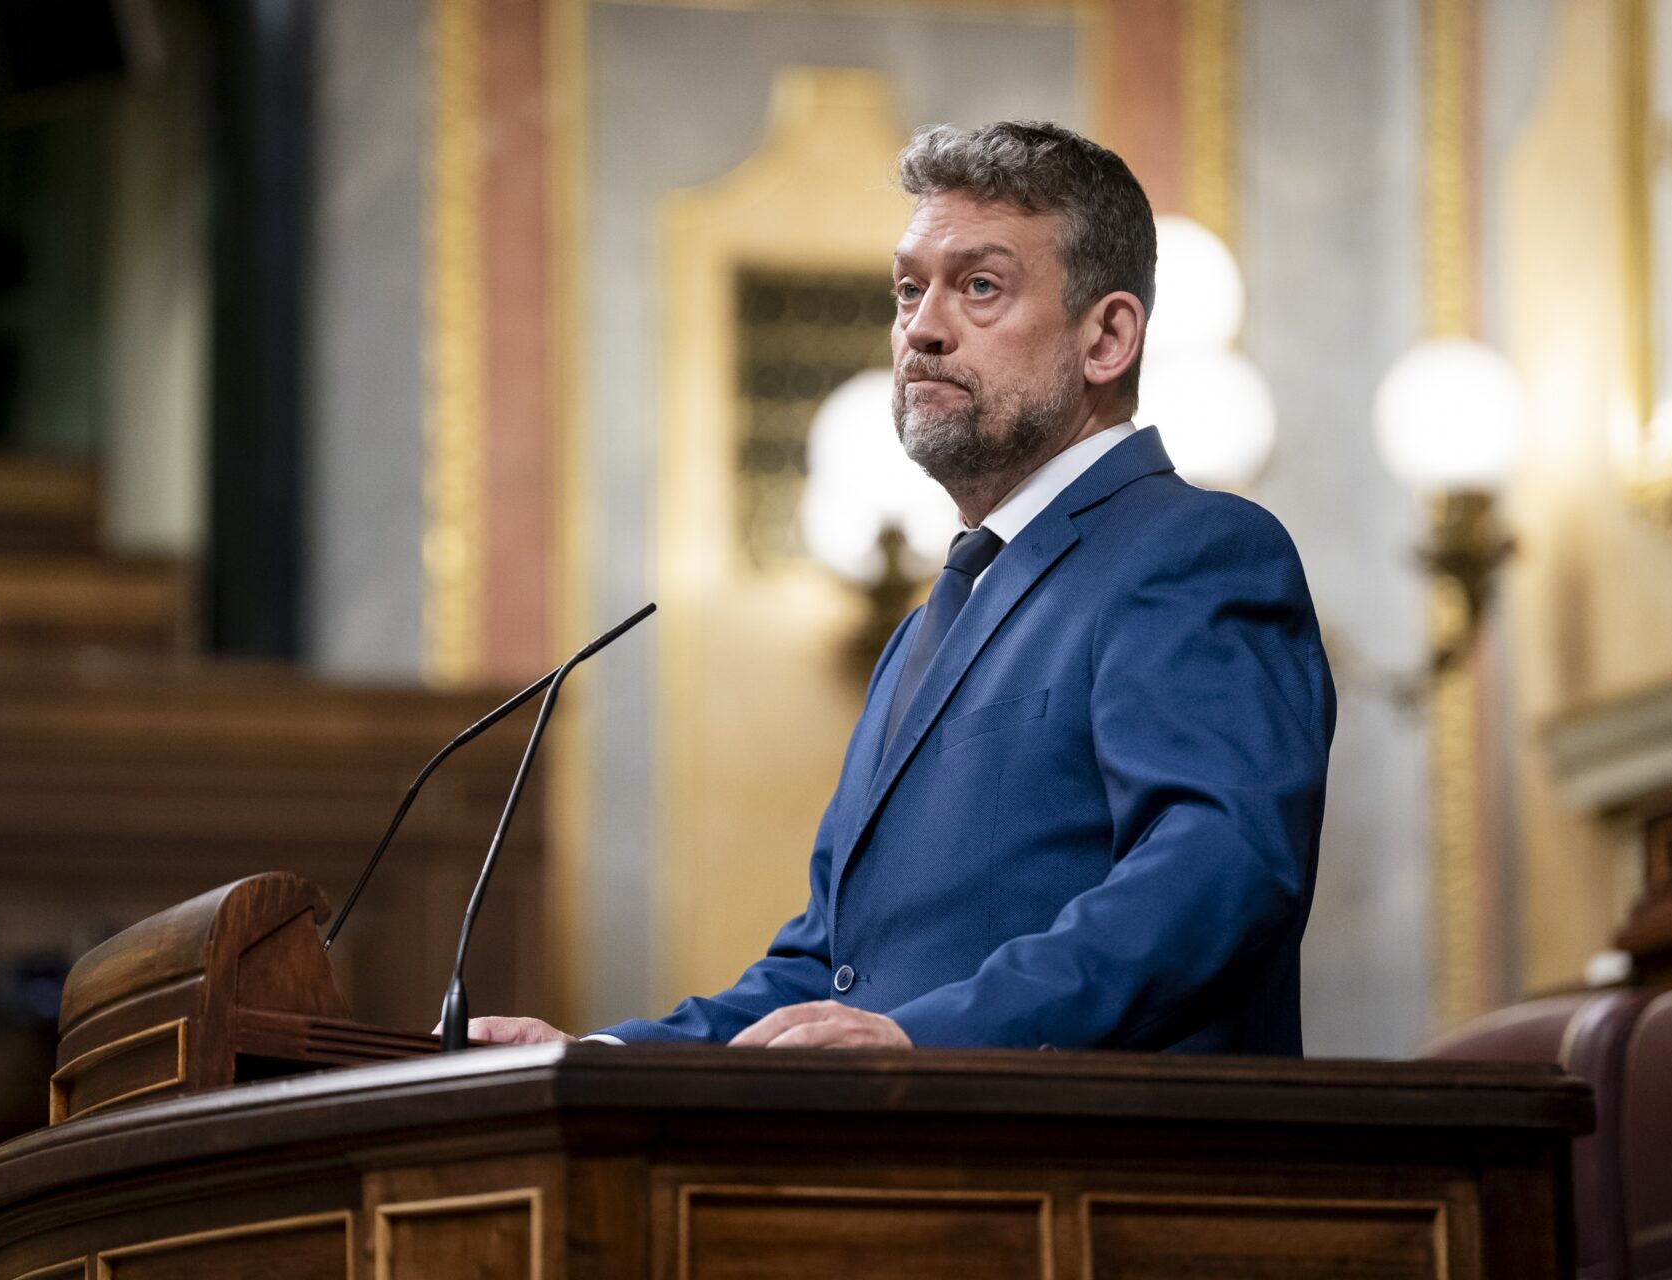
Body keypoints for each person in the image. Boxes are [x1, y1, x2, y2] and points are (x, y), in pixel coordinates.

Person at [473, 120, 1336, 1053]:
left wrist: (924, 1041)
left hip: (1084, 1140)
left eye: (980, 286)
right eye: (910, 289)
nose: (921, 327)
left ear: (1108, 337)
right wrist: (602, 1061)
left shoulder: (1194, 550)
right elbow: (826, 969)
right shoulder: (924, 629)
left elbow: (1214, 872)